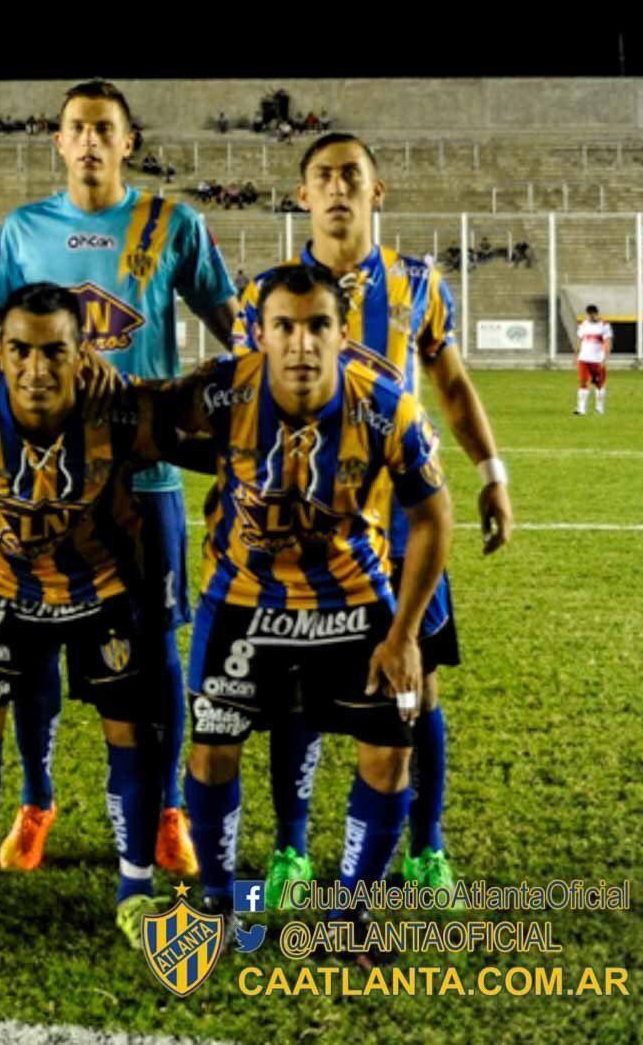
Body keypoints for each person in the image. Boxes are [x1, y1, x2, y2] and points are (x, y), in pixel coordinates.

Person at [235, 132, 513, 906]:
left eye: (350, 175)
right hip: (302, 533)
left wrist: (490, 474)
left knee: (415, 686)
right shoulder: (264, 294)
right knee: (295, 692)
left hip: (399, 526)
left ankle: (426, 849)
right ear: (301, 196)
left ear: (375, 190)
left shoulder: (416, 283)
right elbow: (244, 400)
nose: (336, 188)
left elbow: (450, 386)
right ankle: (290, 851)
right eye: (321, 176)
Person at [0, 78, 239, 880]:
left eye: (103, 129)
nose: (89, 140)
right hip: (43, 482)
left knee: (155, 649)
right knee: (34, 646)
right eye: (76, 128)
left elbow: (229, 320)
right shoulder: (23, 228)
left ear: (128, 142)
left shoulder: (171, 223)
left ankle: (165, 811)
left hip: (144, 478)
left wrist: (245, 391)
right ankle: (37, 801)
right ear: (57, 141)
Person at [181, 262, 453, 957]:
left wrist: (404, 635)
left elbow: (432, 517)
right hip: (243, 601)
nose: (301, 343)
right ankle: (218, 908)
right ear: (260, 333)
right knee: (212, 751)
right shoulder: (217, 392)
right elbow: (136, 423)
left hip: (352, 602)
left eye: (316, 327)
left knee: (387, 755)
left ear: (340, 334)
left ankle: (349, 918)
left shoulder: (386, 405)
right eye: (284, 327)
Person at [0, 283, 171, 949]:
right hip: (1, 587)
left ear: (82, 352)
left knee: (128, 729)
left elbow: (209, 428)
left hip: (100, 588)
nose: (36, 369)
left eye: (54, 351)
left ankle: (135, 890)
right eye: (20, 351)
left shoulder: (121, 408)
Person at [576, 304, 612, 415]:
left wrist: (605, 358)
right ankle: (581, 409)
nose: (591, 317)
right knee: (583, 382)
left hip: (597, 360)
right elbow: (579, 340)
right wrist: (577, 355)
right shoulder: (583, 325)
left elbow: (607, 342)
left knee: (599, 384)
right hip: (584, 359)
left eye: (593, 315)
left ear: (596, 314)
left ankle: (599, 408)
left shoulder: (604, 325)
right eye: (589, 315)